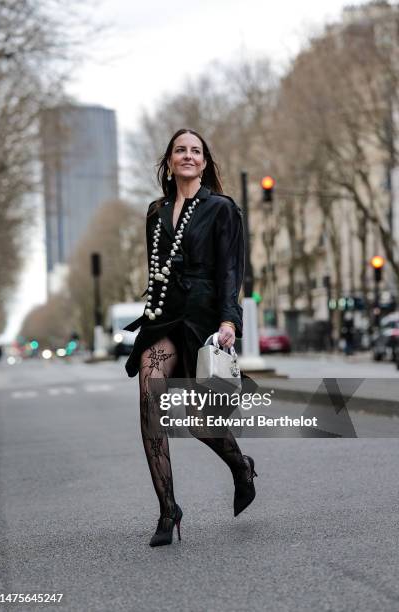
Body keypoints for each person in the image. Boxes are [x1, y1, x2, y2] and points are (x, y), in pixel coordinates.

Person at [124, 128, 258, 547]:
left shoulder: (221, 208)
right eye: (180, 150)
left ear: (204, 161)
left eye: (195, 151)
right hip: (163, 318)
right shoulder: (155, 211)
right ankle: (168, 509)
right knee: (151, 400)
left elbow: (232, 272)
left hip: (202, 318)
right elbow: (155, 270)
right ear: (169, 160)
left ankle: (240, 466)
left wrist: (229, 322)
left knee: (201, 422)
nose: (187, 156)